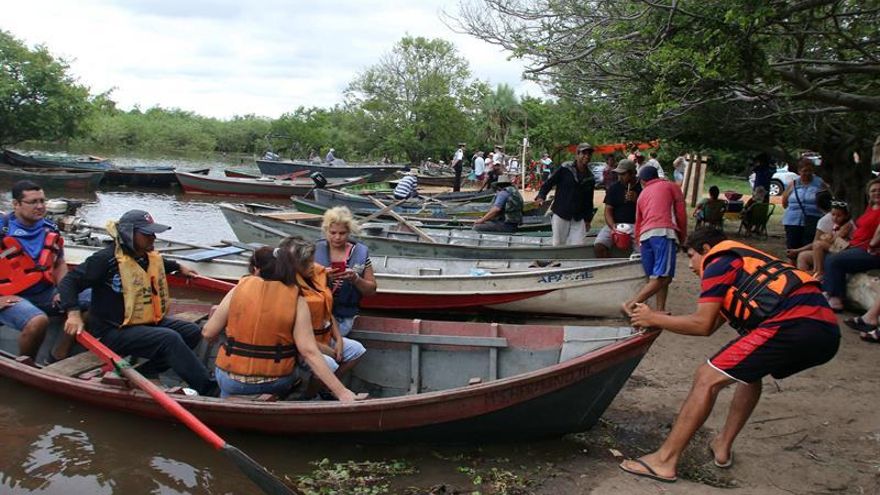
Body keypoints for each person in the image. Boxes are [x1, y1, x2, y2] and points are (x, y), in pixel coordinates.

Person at [620, 227, 839, 483]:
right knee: (747, 371)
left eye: (691, 256)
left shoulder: (719, 260)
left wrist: (652, 315)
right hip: (824, 329)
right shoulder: (743, 265)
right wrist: (658, 321)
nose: (690, 265)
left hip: (795, 322)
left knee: (706, 377)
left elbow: (701, 324)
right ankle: (722, 446)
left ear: (705, 250)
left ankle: (664, 461)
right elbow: (710, 327)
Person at [58, 210, 217, 396]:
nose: (153, 238)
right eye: (147, 234)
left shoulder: (144, 255)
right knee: (169, 338)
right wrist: (73, 313)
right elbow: (69, 282)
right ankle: (210, 390)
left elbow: (160, 264)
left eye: (153, 233)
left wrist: (179, 267)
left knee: (192, 332)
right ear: (128, 233)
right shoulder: (105, 260)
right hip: (113, 331)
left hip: (143, 322)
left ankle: (147, 372)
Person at [202, 245, 358, 401]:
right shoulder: (297, 299)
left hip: (230, 379)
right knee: (299, 370)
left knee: (227, 385)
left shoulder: (238, 290)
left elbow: (208, 333)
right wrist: (342, 392)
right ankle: (296, 399)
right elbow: (309, 351)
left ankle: (226, 401)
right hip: (275, 382)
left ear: (256, 270)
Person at [0, 180, 90, 361]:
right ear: (16, 204)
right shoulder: (3, 229)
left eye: (42, 201)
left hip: (45, 293)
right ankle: (25, 365)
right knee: (38, 321)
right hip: (8, 298)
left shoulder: (50, 228)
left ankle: (60, 353)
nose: (40, 206)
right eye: (33, 202)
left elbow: (59, 263)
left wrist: (65, 289)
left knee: (97, 297)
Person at [283, 236, 366, 398]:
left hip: (324, 336)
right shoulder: (288, 288)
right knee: (330, 364)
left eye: (311, 261)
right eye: (306, 263)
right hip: (301, 346)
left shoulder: (317, 275)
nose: (311, 266)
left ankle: (323, 389)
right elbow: (297, 336)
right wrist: (329, 351)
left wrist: (339, 340)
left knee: (357, 350)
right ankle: (307, 398)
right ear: (294, 265)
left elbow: (327, 312)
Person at [622, 165, 687, 315]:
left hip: (645, 237)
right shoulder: (671, 187)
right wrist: (682, 237)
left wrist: (639, 240)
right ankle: (631, 304)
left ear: (643, 181)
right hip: (663, 232)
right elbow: (681, 214)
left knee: (657, 277)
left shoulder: (642, 195)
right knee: (664, 277)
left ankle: (660, 310)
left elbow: (638, 221)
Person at [314, 207, 378, 336]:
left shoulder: (360, 252)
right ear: (326, 231)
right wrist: (322, 275)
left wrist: (355, 279)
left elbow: (371, 290)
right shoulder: (314, 251)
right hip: (317, 313)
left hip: (345, 316)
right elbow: (300, 282)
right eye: (332, 233)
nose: (337, 237)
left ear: (349, 232)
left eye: (342, 233)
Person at [822, 179, 880, 312]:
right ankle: (825, 286)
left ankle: (835, 298)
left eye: (879, 190)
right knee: (826, 252)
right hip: (855, 246)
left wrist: (873, 243)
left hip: (870, 251)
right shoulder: (870, 208)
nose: (877, 192)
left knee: (834, 260)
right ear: (868, 194)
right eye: (873, 190)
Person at [535, 142, 596, 246]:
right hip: (561, 212)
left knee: (578, 245)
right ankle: (557, 261)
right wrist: (541, 196)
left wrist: (588, 219)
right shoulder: (565, 168)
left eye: (589, 154)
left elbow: (589, 200)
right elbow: (549, 183)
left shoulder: (590, 177)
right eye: (584, 153)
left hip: (578, 216)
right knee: (559, 243)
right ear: (577, 155)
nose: (587, 156)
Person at [786, 196, 853, 277]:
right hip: (834, 249)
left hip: (844, 249)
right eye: (833, 214)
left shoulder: (847, 225)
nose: (835, 218)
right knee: (803, 256)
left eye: (839, 216)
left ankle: (818, 271)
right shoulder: (836, 225)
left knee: (818, 245)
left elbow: (835, 239)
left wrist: (827, 238)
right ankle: (803, 278)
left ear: (846, 216)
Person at [595, 159, 640, 258]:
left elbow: (650, 209)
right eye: (618, 174)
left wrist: (637, 200)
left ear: (632, 173)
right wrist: (613, 226)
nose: (620, 177)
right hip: (617, 224)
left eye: (623, 174)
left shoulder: (641, 187)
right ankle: (608, 268)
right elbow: (608, 210)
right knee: (599, 246)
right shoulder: (614, 187)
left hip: (636, 225)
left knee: (643, 249)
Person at [782, 158, 826, 252]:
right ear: (799, 171)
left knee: (807, 248)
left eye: (810, 170)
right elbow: (784, 203)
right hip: (792, 222)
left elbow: (825, 203)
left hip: (812, 221)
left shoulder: (820, 184)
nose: (807, 173)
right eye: (804, 171)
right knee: (792, 249)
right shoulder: (793, 184)